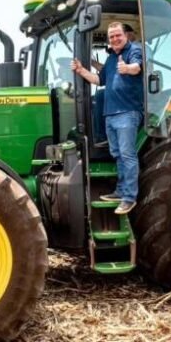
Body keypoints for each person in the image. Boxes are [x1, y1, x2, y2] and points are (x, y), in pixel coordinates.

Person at [71, 22, 143, 214]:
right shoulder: (111, 59)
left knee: (127, 154)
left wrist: (127, 68)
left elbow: (137, 67)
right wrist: (81, 70)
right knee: (117, 154)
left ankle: (129, 198)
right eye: (111, 37)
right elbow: (98, 80)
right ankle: (120, 191)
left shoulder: (134, 50)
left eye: (118, 35)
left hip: (127, 111)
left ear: (125, 35)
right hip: (110, 114)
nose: (115, 39)